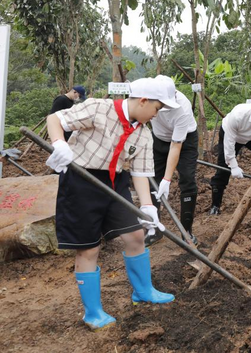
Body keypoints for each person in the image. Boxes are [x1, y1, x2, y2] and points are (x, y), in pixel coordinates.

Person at [45, 77, 180, 330]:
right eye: (157, 108)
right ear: (143, 101)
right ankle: (93, 313)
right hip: (81, 181)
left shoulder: (143, 135)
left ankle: (143, 291)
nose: (156, 115)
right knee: (88, 249)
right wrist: (59, 143)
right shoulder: (99, 108)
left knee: (135, 236)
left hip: (115, 182)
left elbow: (140, 174)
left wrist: (147, 207)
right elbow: (55, 120)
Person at [146, 75, 199, 247]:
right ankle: (154, 229)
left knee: (187, 180)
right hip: (159, 139)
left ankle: (186, 232)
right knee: (152, 181)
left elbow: (176, 146)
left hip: (185, 140)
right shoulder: (147, 96)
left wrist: (167, 180)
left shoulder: (182, 108)